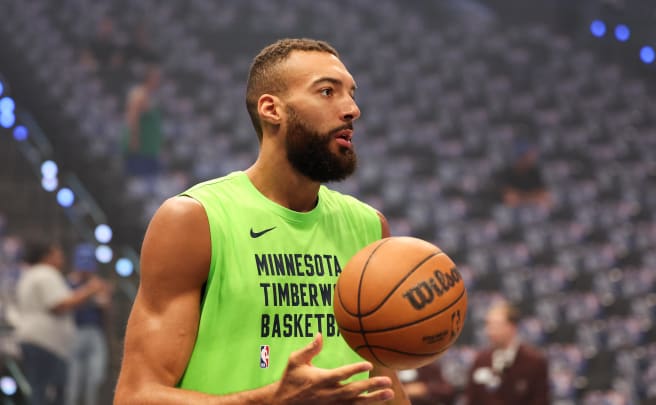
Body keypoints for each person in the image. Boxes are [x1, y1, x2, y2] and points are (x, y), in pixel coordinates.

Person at [114, 38, 409, 404]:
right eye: (328, 92)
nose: (352, 109)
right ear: (272, 109)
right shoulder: (195, 219)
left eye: (352, 94)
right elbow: (135, 396)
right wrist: (270, 401)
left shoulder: (369, 227)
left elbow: (385, 385)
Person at [15, 240, 107, 405]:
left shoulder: (30, 274)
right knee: (48, 393)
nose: (62, 258)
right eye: (58, 254)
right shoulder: (45, 274)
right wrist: (90, 290)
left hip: (35, 341)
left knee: (40, 389)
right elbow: (58, 305)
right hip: (45, 344)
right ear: (47, 256)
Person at [464, 301, 549, 405]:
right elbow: (471, 399)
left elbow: (540, 400)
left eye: (496, 325)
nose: (490, 331)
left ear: (512, 327)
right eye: (488, 325)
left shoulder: (534, 361)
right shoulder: (480, 360)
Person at [65, 243, 112, 405]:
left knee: (95, 376)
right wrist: (90, 290)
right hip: (75, 331)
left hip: (95, 332)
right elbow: (67, 304)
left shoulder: (98, 283)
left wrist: (102, 292)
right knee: (73, 379)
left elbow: (105, 306)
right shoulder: (69, 282)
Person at [121, 64, 164, 180]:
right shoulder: (139, 94)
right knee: (137, 181)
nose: (159, 81)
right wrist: (134, 139)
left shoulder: (151, 95)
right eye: (157, 78)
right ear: (149, 78)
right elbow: (132, 118)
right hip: (141, 148)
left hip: (149, 148)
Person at [497, 141, 552, 208]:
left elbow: (542, 193)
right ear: (521, 157)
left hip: (530, 205)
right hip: (509, 211)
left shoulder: (534, 172)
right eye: (527, 156)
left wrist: (525, 198)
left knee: (546, 198)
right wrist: (530, 197)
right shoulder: (508, 172)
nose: (531, 159)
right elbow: (508, 196)